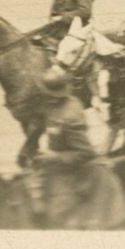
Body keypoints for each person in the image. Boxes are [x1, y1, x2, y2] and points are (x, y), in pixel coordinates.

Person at [22, 65, 100, 227]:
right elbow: (43, 118)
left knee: (57, 217)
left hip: (72, 172)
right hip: (52, 166)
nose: (46, 99)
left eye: (49, 96)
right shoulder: (52, 104)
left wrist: (55, 157)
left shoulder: (70, 116)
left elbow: (86, 153)